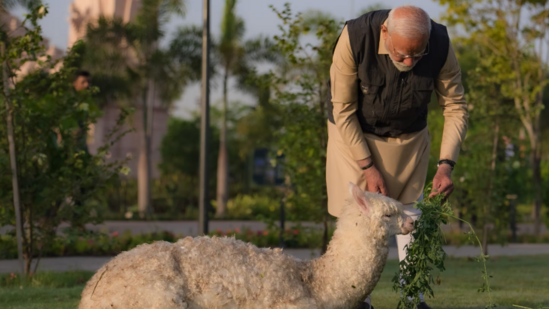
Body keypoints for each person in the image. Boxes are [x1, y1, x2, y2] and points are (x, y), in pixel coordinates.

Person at [326, 5, 468, 309]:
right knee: (358, 217)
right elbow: (343, 110)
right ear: (385, 33)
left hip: (410, 138)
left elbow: (455, 107)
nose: (409, 62)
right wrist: (367, 165)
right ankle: (357, 299)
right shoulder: (354, 37)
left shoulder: (440, 44)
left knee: (411, 216)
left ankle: (412, 298)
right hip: (353, 135)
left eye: (417, 56)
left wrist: (446, 165)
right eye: (402, 54)